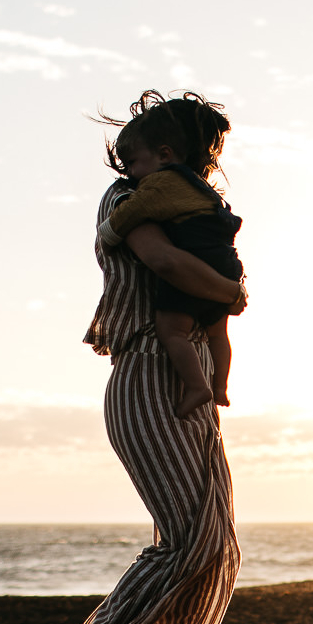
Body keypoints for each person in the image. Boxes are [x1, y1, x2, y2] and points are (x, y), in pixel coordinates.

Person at [59, 90, 246, 624]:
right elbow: (165, 263)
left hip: (185, 371)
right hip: (146, 369)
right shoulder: (127, 200)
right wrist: (231, 290)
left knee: (215, 542)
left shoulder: (191, 202)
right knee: (187, 537)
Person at [97, 113, 244, 419]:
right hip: (152, 377)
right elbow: (166, 259)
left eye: (133, 162)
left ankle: (204, 387)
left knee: (173, 330)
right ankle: (219, 386)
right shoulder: (203, 195)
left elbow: (169, 263)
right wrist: (233, 291)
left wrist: (107, 234)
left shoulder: (158, 189)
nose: (132, 173)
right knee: (220, 333)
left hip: (164, 368)